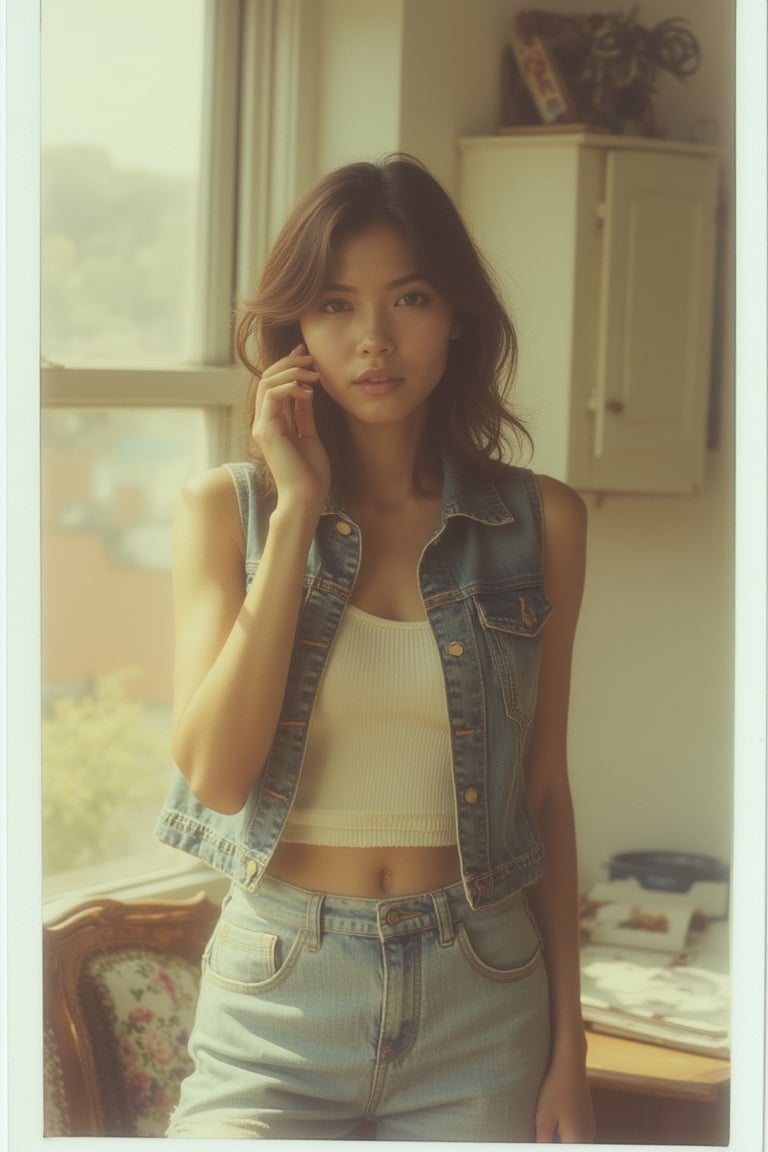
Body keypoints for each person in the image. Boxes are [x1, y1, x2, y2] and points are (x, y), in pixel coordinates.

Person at [155, 154, 595, 1143]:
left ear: (458, 319)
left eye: (409, 297)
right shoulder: (226, 514)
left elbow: (548, 793)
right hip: (278, 997)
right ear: (294, 335)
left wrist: (572, 1046)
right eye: (336, 306)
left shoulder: (542, 525)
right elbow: (220, 777)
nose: (374, 339)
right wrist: (301, 505)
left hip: (484, 997)